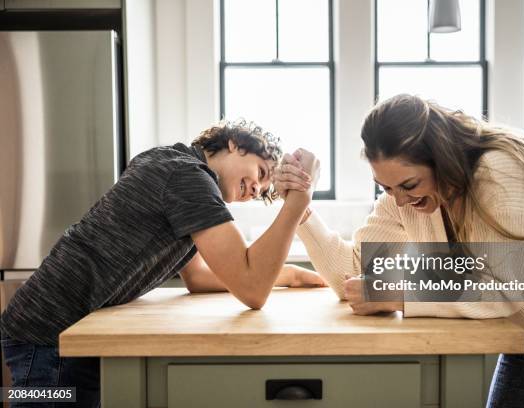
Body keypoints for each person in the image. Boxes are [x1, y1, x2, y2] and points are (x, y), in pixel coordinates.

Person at [274, 94, 524, 407]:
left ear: (442, 159)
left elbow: (503, 293)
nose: (401, 200)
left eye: (409, 185)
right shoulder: (401, 198)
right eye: (387, 187)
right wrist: (300, 208)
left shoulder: (501, 174)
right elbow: (352, 275)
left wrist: (400, 295)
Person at [0, 119, 325, 408]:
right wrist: (299, 200)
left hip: (54, 329)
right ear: (234, 144)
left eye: (262, 192)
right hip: (49, 337)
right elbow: (252, 288)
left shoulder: (173, 162)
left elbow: (197, 276)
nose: (255, 189)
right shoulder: (188, 178)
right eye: (260, 174)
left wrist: (292, 275)